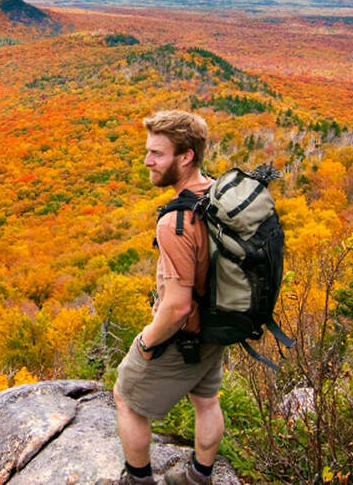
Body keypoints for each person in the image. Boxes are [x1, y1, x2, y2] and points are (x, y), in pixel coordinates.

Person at [112, 110, 225, 485]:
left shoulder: (176, 223)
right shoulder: (219, 193)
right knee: (206, 401)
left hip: (184, 334)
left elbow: (177, 307)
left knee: (126, 398)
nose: (147, 160)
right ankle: (199, 478)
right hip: (217, 324)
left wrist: (146, 342)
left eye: (157, 153)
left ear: (186, 156)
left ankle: (138, 481)